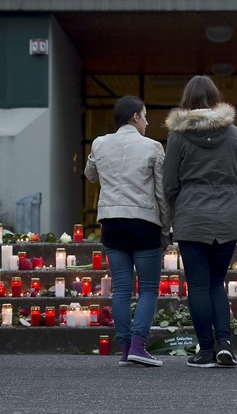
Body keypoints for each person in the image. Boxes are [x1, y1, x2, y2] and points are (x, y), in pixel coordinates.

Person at [162, 76, 237, 368]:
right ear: (215, 97)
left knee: (198, 284)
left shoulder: (178, 135)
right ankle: (225, 343)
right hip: (226, 214)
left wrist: (177, 209)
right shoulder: (232, 132)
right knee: (216, 283)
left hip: (191, 215)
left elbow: (169, 182)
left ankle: (206, 351)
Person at [85, 95, 173, 367]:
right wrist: (166, 228)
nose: (147, 122)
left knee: (121, 288)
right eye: (145, 116)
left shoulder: (100, 143)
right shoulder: (153, 147)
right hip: (144, 224)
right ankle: (138, 345)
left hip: (112, 223)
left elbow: (90, 174)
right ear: (135, 116)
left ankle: (125, 348)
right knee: (148, 288)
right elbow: (162, 193)